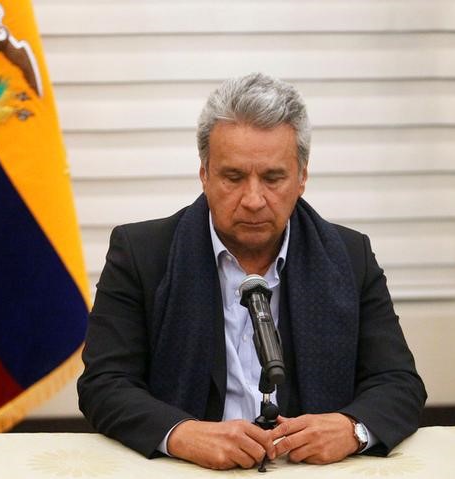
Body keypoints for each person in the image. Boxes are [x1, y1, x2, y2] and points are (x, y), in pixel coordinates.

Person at [78, 72, 426, 470]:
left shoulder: (350, 256)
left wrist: (352, 428)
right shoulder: (141, 254)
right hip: (187, 469)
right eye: (234, 177)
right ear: (204, 174)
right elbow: (104, 385)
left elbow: (399, 383)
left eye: (273, 177)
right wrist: (181, 433)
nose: (254, 199)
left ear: (302, 177)